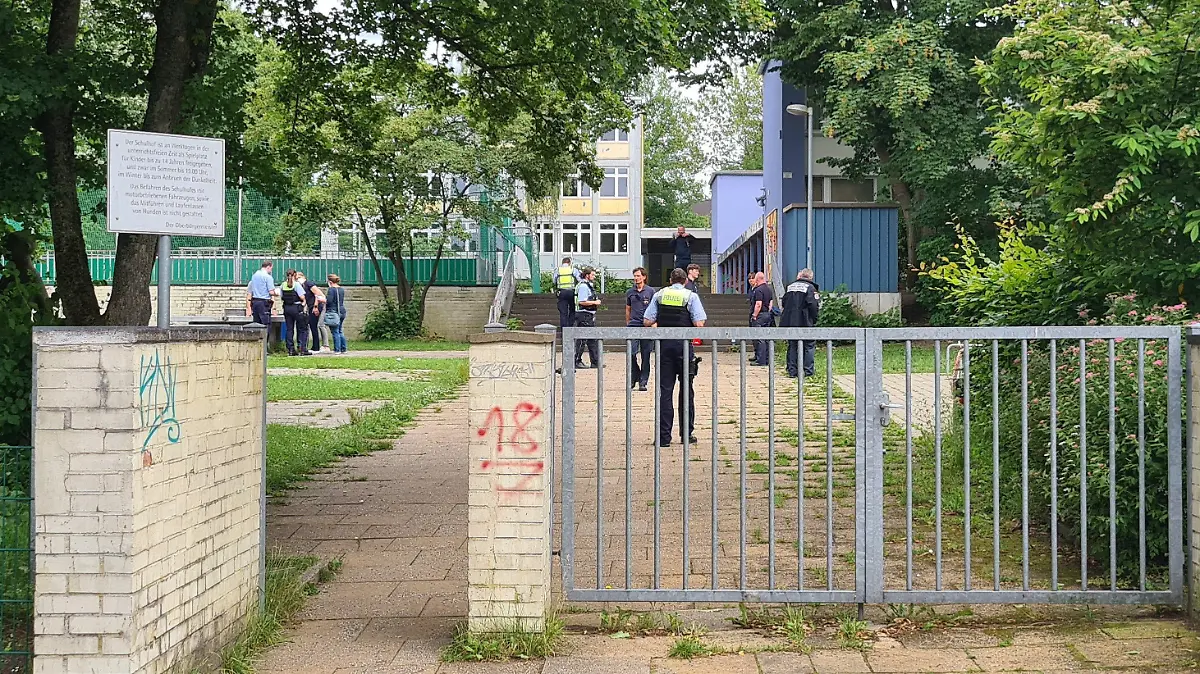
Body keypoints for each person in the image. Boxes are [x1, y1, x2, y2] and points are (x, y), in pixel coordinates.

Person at [644, 267, 707, 447]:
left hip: (664, 347)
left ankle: (664, 438)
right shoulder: (691, 296)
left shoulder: (659, 295)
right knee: (687, 391)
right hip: (684, 348)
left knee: (665, 392)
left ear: (670, 280)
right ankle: (686, 434)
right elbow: (699, 323)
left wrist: (659, 324)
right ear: (685, 280)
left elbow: (647, 321)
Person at [781, 268, 821, 378]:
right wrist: (814, 319)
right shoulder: (811, 288)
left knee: (793, 345)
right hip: (805, 321)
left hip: (790, 322)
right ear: (810, 277)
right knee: (809, 345)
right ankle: (808, 371)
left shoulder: (790, 287)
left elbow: (784, 303)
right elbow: (813, 306)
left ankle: (792, 371)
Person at [625, 267, 655, 391]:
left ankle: (643, 381)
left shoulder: (650, 291)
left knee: (646, 355)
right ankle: (634, 376)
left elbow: (655, 308)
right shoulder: (630, 292)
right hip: (633, 325)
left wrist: (654, 322)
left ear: (644, 277)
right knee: (631, 353)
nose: (636, 278)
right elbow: (628, 308)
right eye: (635, 276)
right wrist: (628, 322)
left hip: (646, 326)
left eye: (638, 276)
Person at [574, 267, 602, 369]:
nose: (594, 277)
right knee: (582, 338)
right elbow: (582, 301)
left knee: (592, 338)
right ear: (587, 275)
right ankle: (576, 361)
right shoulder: (583, 287)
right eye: (593, 275)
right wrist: (595, 302)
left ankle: (595, 362)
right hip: (584, 315)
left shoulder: (587, 286)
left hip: (588, 315)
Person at [279, 269, 311, 356]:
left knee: (289, 329)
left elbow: (281, 296)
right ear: (295, 275)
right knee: (302, 329)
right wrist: (303, 304)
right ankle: (302, 348)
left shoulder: (283, 285)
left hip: (287, 308)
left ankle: (290, 349)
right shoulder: (296, 285)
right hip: (296, 308)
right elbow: (302, 297)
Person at [748, 271, 775, 366]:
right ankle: (767, 359)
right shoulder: (768, 289)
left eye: (755, 278)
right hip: (767, 315)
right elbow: (771, 303)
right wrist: (767, 311)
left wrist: (754, 315)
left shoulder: (758, 290)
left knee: (759, 338)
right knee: (766, 337)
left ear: (758, 279)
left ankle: (761, 360)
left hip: (759, 316)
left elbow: (758, 304)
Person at [296, 272, 327, 353]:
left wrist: (315, 306)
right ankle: (314, 345)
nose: (297, 280)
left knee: (313, 325)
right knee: (312, 325)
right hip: (311, 307)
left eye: (298, 278)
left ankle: (316, 346)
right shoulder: (302, 286)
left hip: (315, 306)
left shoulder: (309, 284)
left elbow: (318, 294)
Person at [245, 261, 279, 326]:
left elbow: (250, 291)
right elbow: (271, 292)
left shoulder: (254, 276)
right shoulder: (268, 277)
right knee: (266, 325)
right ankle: (265, 336)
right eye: (271, 268)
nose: (271, 270)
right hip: (264, 303)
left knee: (257, 325)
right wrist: (277, 293)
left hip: (255, 302)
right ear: (268, 267)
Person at [325, 274, 349, 354]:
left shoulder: (331, 289)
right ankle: (343, 348)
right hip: (342, 311)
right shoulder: (341, 289)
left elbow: (329, 301)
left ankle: (337, 349)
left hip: (333, 312)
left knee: (335, 331)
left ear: (330, 282)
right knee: (340, 330)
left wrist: (322, 300)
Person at [555, 257, 580, 333]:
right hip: (571, 292)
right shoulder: (573, 269)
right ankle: (570, 325)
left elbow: (554, 280)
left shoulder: (558, 270)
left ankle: (564, 328)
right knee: (572, 309)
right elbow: (579, 279)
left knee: (563, 311)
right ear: (569, 263)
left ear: (562, 263)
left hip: (561, 292)